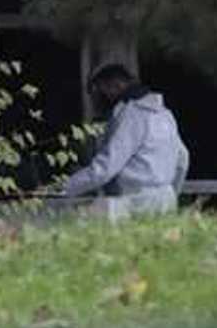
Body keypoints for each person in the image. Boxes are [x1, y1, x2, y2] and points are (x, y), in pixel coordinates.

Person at [58, 63, 189, 215]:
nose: (100, 97)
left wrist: (63, 187)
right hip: (165, 202)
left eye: (101, 90)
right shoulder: (165, 115)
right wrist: (171, 193)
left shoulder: (132, 115)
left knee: (73, 221)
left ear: (116, 85)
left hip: (134, 203)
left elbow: (106, 167)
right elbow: (183, 160)